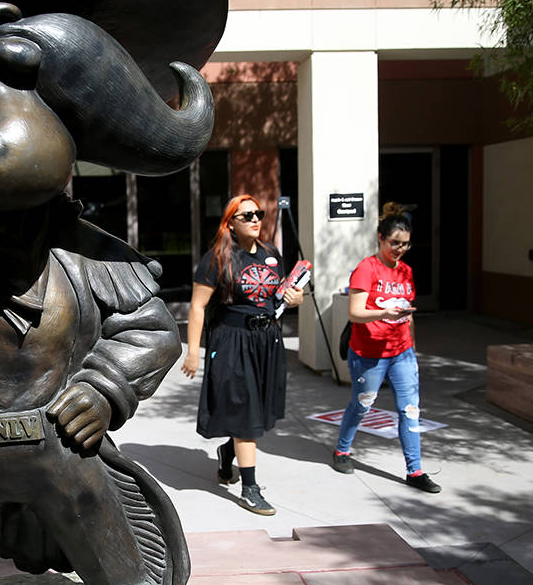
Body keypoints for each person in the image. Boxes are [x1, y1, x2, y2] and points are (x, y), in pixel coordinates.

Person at [182, 195, 304, 515]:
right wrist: (193, 351)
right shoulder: (217, 258)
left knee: (257, 411)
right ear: (231, 224)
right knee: (246, 412)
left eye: (258, 214)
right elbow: (197, 307)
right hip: (232, 341)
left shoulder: (270, 254)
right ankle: (250, 488)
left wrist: (295, 298)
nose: (254, 219)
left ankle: (228, 452)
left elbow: (279, 295)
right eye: (246, 215)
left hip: (267, 341)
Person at [331, 202, 441, 493]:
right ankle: (342, 451)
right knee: (362, 404)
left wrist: (413, 348)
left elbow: (409, 313)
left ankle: (415, 470)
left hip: (401, 352)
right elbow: (355, 313)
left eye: (405, 244)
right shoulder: (366, 269)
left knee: (410, 410)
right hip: (369, 354)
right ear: (380, 238)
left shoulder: (406, 272)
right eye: (394, 243)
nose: (400, 249)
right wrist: (384, 314)